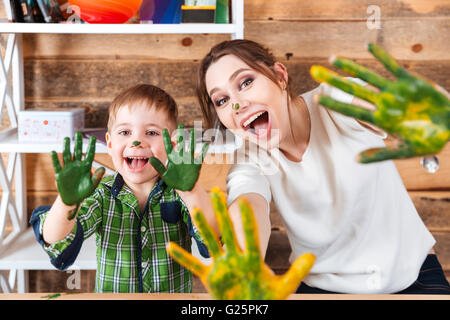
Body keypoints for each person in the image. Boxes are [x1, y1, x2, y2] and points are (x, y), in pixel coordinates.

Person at [195, 39, 450, 294]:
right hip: (322, 289)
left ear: (279, 76)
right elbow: (248, 204)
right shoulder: (249, 158)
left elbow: (377, 107)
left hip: (415, 277)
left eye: (246, 82)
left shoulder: (332, 100)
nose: (238, 105)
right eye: (222, 100)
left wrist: (412, 112)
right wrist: (244, 261)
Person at [30, 84, 217, 293]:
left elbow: (213, 241)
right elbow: (57, 243)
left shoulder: (180, 193)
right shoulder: (100, 193)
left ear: (172, 144)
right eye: (125, 132)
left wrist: (191, 192)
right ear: (109, 144)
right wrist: (66, 203)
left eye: (152, 132)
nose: (137, 141)